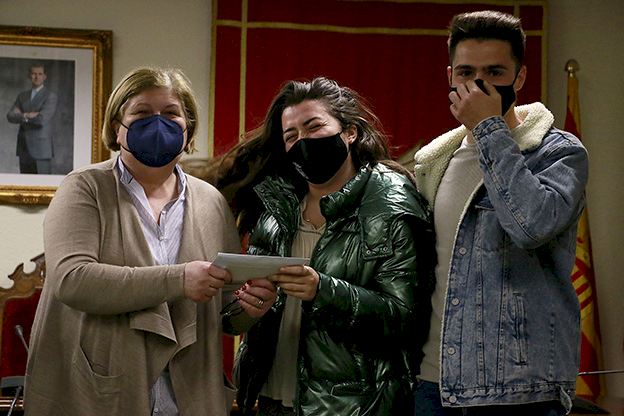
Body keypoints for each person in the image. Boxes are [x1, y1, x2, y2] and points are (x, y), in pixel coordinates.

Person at [24, 67, 277, 415]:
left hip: (187, 397)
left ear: (188, 129)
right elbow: (73, 280)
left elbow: (224, 310)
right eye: (142, 113)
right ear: (117, 127)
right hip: (101, 394)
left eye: (171, 114)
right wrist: (180, 279)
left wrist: (249, 309)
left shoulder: (212, 201)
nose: (158, 123)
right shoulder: (84, 187)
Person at [210, 76, 435, 416]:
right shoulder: (276, 205)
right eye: (291, 135)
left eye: (314, 127)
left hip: (351, 406)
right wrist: (249, 309)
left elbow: (407, 320)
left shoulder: (389, 205)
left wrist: (323, 290)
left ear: (350, 132)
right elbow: (234, 320)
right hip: (269, 399)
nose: (303, 141)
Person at [412, 10, 589, 416]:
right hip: (432, 385)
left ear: (520, 78)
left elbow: (531, 225)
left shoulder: (558, 153)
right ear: (450, 77)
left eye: (494, 73)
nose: (479, 85)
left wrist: (489, 128)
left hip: (516, 390)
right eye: (466, 73)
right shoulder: (433, 163)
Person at [6, 63, 58, 174]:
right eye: (34, 74)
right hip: (23, 147)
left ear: (45, 76)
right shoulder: (22, 96)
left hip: (41, 148)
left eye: (40, 74)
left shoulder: (50, 96)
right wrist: (26, 115)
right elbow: (10, 116)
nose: (36, 77)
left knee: (42, 182)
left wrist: (21, 115)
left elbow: (41, 120)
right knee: (25, 181)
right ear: (29, 76)